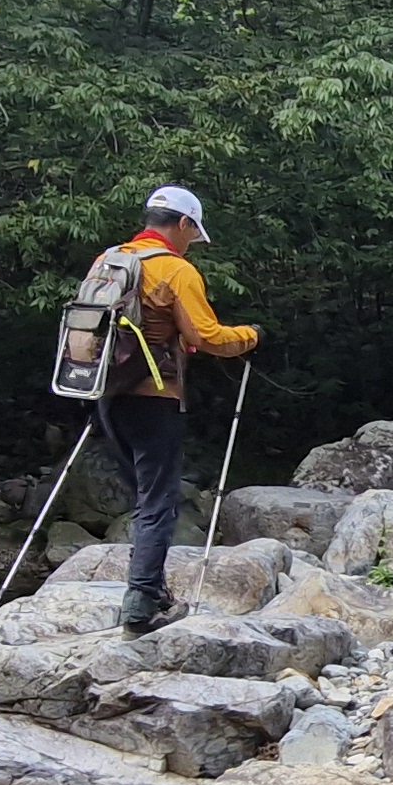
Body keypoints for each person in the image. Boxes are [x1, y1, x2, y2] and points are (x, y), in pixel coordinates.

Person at [91, 185, 259, 632]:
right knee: (158, 502)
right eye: (192, 233)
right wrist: (251, 336)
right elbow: (208, 336)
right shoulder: (175, 269)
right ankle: (141, 605)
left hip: (104, 393)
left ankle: (154, 589)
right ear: (183, 223)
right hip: (154, 397)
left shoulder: (108, 261)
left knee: (142, 498)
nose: (191, 243)